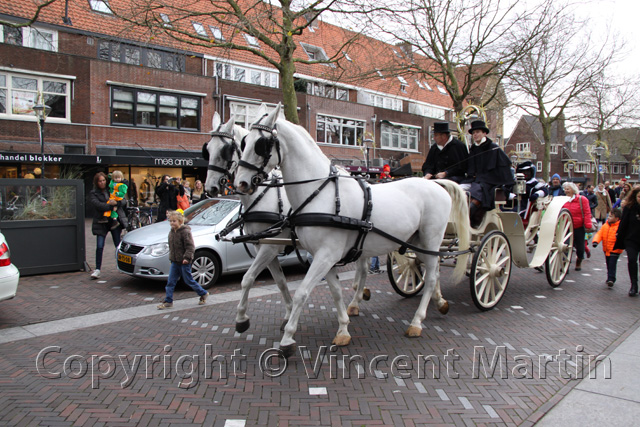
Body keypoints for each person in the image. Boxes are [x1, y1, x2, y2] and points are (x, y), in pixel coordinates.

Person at [463, 120, 514, 227]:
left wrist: (507, 185)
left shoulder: (493, 148)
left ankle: (467, 219)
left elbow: (504, 168)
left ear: (484, 133)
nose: (475, 135)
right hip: (475, 180)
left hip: (490, 181)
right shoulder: (473, 149)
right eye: (473, 133)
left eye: (477, 132)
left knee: (477, 191)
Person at [157, 210, 209, 309]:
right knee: (170, 282)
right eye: (171, 221)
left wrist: (186, 258)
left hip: (184, 261)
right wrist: (171, 258)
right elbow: (172, 247)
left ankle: (203, 293)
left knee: (188, 280)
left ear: (180, 221)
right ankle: (168, 301)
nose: (172, 223)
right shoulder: (172, 232)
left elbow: (190, 247)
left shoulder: (185, 232)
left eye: (174, 221)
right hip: (175, 261)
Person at [89, 172, 126, 279]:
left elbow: (123, 200)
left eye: (104, 180)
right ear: (96, 182)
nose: (102, 183)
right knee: (100, 246)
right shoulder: (94, 193)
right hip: (101, 222)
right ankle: (97, 269)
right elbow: (97, 205)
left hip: (114, 221)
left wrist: (117, 203)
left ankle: (121, 266)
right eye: (100, 181)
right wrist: (110, 205)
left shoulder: (112, 188)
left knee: (117, 245)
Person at [614, 187, 640, 296]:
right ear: (635, 197)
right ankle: (634, 285)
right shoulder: (629, 207)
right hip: (631, 239)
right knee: (632, 260)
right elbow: (623, 222)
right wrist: (619, 234)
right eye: (639, 197)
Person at [562, 181, 593, 271]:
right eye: (565, 189)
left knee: (580, 247)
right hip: (567, 226)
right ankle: (565, 264)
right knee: (565, 246)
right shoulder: (563, 199)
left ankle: (579, 260)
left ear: (573, 190)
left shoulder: (582, 199)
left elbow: (587, 212)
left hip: (579, 227)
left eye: (568, 189)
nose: (566, 190)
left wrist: (588, 225)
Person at [592, 208, 623, 288]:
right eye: (608, 216)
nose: (608, 218)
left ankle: (611, 279)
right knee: (609, 263)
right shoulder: (605, 226)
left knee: (612, 263)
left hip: (615, 249)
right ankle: (609, 277)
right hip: (606, 249)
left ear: (617, 218)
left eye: (611, 216)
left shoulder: (620, 227)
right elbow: (600, 234)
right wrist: (595, 241)